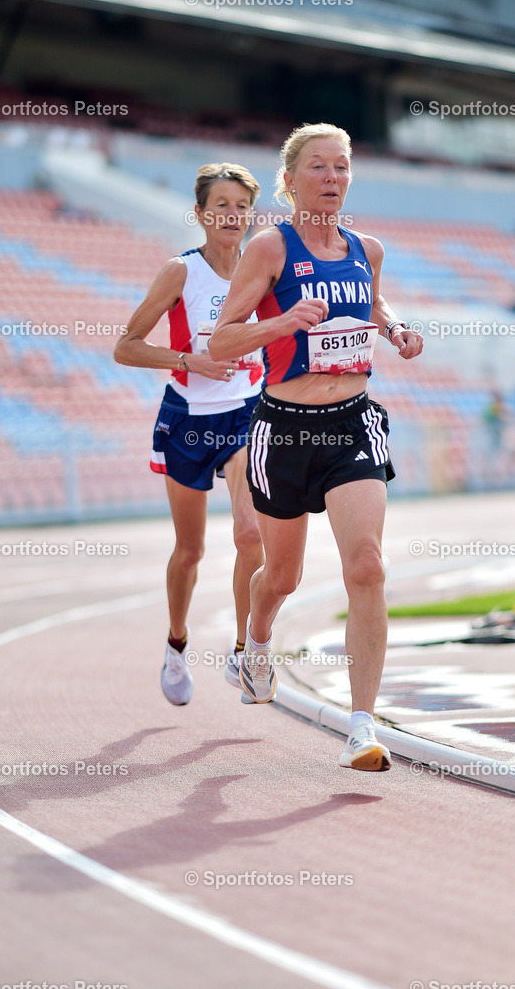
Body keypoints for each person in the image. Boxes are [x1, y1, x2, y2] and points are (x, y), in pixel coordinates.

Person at [209, 123, 423, 770]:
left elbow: (374, 303)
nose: (332, 178)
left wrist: (395, 328)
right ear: (291, 178)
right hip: (285, 429)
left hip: (354, 424)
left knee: (367, 565)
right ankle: (255, 640)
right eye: (319, 167)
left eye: (342, 167)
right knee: (283, 575)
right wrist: (282, 321)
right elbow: (221, 341)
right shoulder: (271, 248)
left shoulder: (368, 248)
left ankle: (362, 727)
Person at [114, 162, 264, 706]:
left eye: (241, 206)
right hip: (188, 420)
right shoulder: (181, 272)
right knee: (191, 549)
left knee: (251, 536)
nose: (232, 215)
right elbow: (125, 346)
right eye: (220, 205)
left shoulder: (263, 268)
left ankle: (246, 652)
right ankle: (177, 643)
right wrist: (190, 361)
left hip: (247, 414)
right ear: (201, 214)